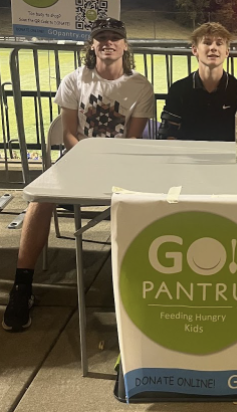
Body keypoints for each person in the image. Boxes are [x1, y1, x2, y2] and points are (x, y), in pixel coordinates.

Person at [2, 18, 155, 332]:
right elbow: (69, 133)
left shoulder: (140, 85)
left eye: (115, 38)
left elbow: (133, 139)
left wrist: (110, 163)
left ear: (125, 46)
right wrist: (90, 161)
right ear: (92, 45)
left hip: (123, 163)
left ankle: (140, 283)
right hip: (76, 161)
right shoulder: (74, 80)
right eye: (101, 38)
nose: (108, 42)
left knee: (146, 201)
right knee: (39, 200)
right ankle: (22, 286)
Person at [159, 22, 237, 141]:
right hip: (187, 156)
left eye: (219, 43)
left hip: (227, 157)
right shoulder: (179, 89)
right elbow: (168, 134)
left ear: (227, 52)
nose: (213, 48)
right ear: (195, 50)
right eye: (207, 43)